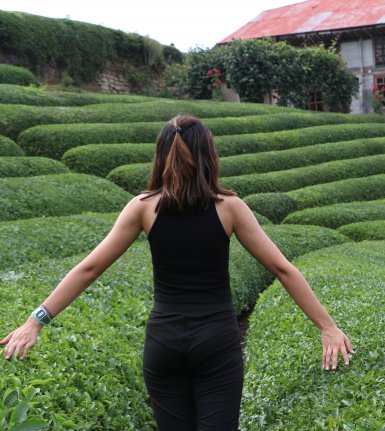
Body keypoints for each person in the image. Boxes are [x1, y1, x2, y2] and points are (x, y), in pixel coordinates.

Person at [1, 114, 356, 430]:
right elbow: (282, 268)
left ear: (160, 154)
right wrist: (328, 327)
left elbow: (90, 268)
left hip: (164, 342)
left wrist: (36, 321)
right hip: (216, 341)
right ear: (209, 156)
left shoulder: (143, 207)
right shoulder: (229, 207)